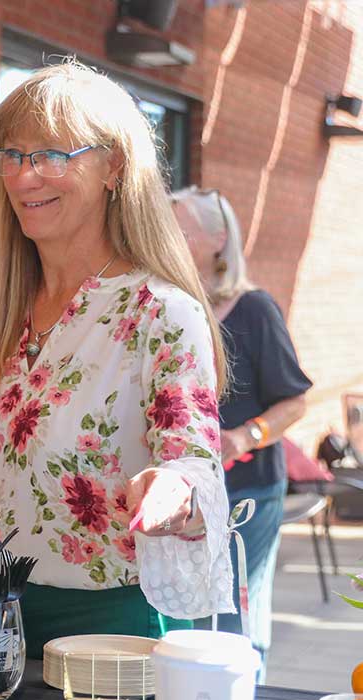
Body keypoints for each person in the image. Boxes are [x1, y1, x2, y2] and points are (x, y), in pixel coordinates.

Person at [0, 60, 234, 657]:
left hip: (108, 626)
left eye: (54, 154)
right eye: (11, 154)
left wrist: (174, 490)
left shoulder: (160, 311)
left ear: (114, 166)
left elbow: (193, 463)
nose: (27, 176)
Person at [172, 186, 310, 676]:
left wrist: (243, 437)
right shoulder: (166, 305)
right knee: (183, 620)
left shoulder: (255, 309)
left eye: (180, 228)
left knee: (233, 616)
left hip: (247, 492)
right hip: (181, 496)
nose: (167, 235)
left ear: (217, 239)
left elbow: (294, 402)